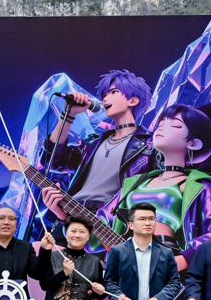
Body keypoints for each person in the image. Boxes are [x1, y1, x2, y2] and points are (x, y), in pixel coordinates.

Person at [100, 104, 211, 271]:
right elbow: (101, 224)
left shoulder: (200, 187)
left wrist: (182, 260)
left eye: (175, 125)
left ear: (193, 144)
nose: (161, 127)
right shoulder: (134, 184)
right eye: (160, 123)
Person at [40, 70, 157, 232]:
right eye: (104, 94)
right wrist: (68, 114)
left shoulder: (150, 144)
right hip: (71, 216)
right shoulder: (92, 143)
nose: (106, 98)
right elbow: (52, 161)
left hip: (111, 223)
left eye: (113, 92)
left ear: (133, 100)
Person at [35, 215, 106, 300]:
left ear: (89, 236)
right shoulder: (53, 256)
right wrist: (64, 273)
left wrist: (100, 291)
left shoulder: (95, 262)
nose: (77, 235)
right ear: (66, 233)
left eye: (82, 232)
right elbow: (44, 284)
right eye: (73, 231)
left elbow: (100, 295)